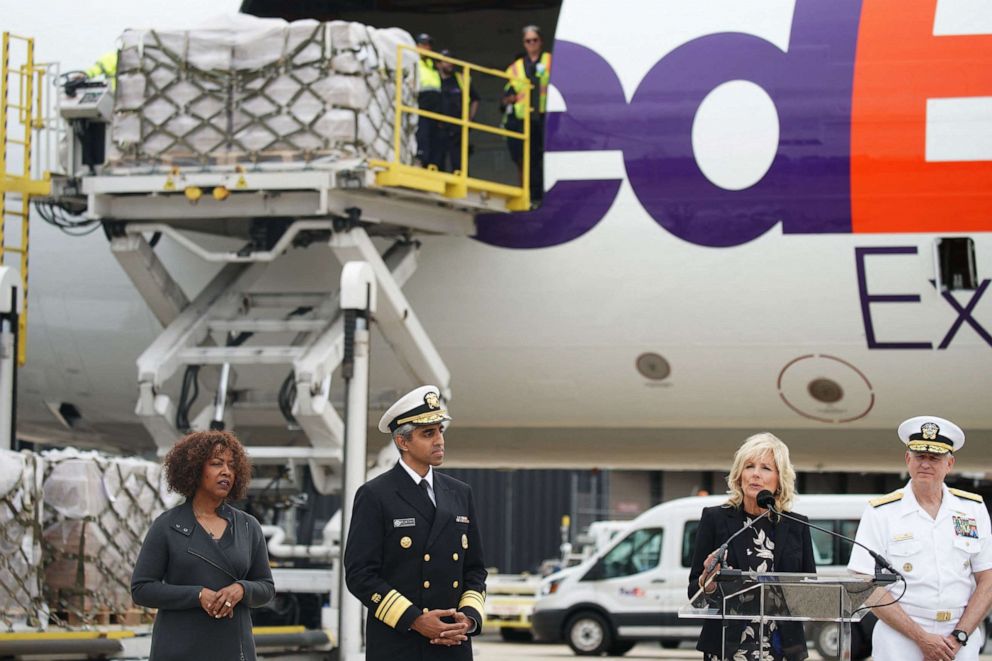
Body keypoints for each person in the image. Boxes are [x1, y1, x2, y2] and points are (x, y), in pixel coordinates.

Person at [344, 385, 487, 660]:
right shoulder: (376, 494)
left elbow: (475, 569)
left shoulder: (460, 493)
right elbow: (360, 574)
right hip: (399, 644)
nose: (439, 441)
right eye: (428, 433)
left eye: (440, 431)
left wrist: (467, 619)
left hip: (453, 644)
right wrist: (415, 620)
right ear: (403, 442)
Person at [847, 416, 992, 661]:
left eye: (934, 457)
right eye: (919, 456)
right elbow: (866, 583)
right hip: (900, 642)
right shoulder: (881, 512)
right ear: (908, 460)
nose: (925, 464)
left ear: (950, 464)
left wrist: (958, 637)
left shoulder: (972, 509)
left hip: (960, 641)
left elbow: (987, 580)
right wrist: (921, 639)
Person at [131, 431, 275, 661]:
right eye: (216, 464)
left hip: (233, 651)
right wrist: (197, 595)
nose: (226, 471)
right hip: (179, 649)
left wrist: (242, 589)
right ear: (195, 470)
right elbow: (141, 589)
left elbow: (266, 588)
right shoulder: (167, 525)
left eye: (231, 465)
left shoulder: (248, 526)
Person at [688, 433, 815, 661]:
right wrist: (707, 581)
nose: (755, 473)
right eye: (749, 466)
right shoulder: (715, 519)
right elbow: (694, 594)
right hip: (727, 648)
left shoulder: (797, 525)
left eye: (766, 468)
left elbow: (809, 593)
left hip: (782, 650)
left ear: (779, 479)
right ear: (739, 475)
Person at [502, 25, 552, 204]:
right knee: (527, 160)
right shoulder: (515, 67)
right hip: (524, 120)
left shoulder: (550, 61)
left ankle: (542, 193)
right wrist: (509, 99)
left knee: (543, 158)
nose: (531, 44)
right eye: (528, 41)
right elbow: (507, 91)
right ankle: (531, 195)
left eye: (534, 40)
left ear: (541, 41)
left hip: (545, 117)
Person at [436, 49, 480, 174]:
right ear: (438, 64)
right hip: (440, 127)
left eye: (451, 60)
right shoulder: (434, 79)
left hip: (458, 128)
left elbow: (476, 99)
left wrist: (470, 118)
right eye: (446, 61)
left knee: (459, 165)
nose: (450, 63)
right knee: (438, 162)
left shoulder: (461, 78)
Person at [415, 33, 443, 168]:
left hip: (435, 105)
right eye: (424, 44)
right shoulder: (413, 61)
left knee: (435, 138)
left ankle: (432, 164)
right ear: (417, 46)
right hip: (422, 102)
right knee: (423, 135)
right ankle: (420, 160)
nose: (428, 48)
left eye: (429, 45)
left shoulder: (432, 64)